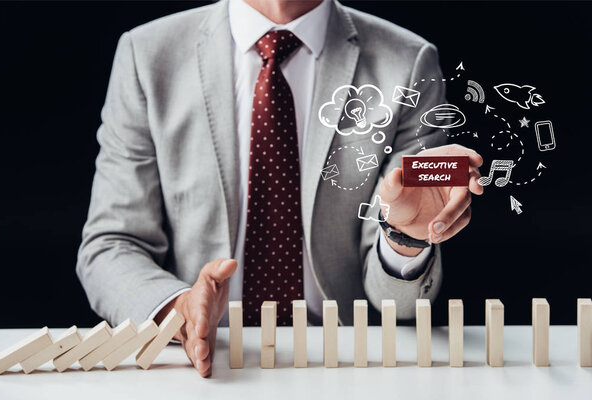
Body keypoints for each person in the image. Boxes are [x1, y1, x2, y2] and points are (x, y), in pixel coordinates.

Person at [77, 0, 483, 377]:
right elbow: (111, 245)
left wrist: (405, 237)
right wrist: (179, 307)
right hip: (203, 360)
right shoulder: (146, 54)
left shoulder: (407, 63)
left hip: (344, 361)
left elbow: (398, 303)